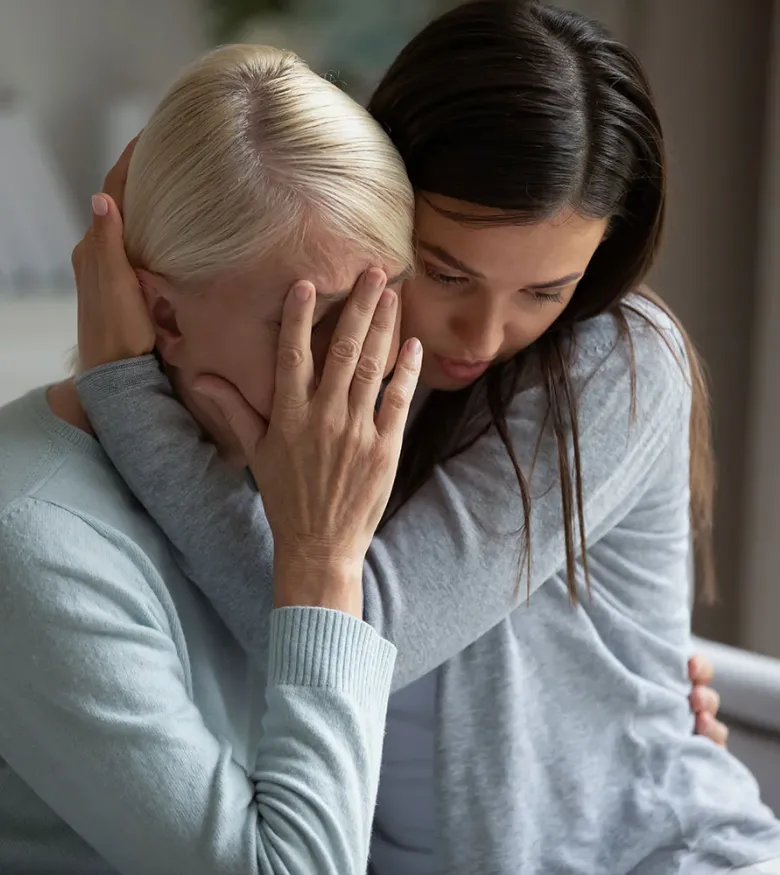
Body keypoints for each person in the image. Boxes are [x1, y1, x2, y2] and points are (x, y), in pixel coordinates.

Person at [68, 1, 780, 873]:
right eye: (447, 273)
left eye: (544, 291)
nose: (482, 336)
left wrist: (124, 385)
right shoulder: (300, 360)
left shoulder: (618, 363)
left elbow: (332, 632)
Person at [0, 44, 421, 874]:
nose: (364, 363)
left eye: (384, 305)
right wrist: (322, 561)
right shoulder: (32, 542)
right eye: (315, 320)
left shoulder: (271, 461)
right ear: (166, 312)